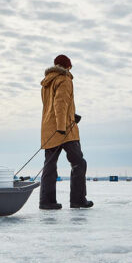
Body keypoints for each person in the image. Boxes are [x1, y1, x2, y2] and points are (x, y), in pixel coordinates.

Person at [39, 54, 93, 210]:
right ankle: (78, 200)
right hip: (64, 130)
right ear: (67, 66)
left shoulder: (46, 82)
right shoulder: (64, 79)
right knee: (79, 163)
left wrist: (72, 115)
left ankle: (46, 201)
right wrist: (62, 126)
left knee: (50, 165)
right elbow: (60, 103)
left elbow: (52, 106)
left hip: (48, 129)